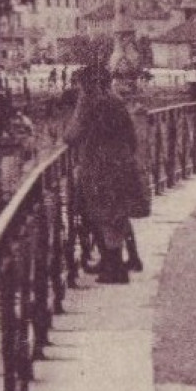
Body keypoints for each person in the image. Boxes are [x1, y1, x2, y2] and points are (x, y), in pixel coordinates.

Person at [64, 64, 150, 285]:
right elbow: (131, 136)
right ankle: (115, 262)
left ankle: (115, 269)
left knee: (104, 215)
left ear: (89, 85)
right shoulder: (116, 101)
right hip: (121, 163)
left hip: (99, 167)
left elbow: (72, 135)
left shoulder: (90, 103)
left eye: (82, 84)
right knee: (115, 215)